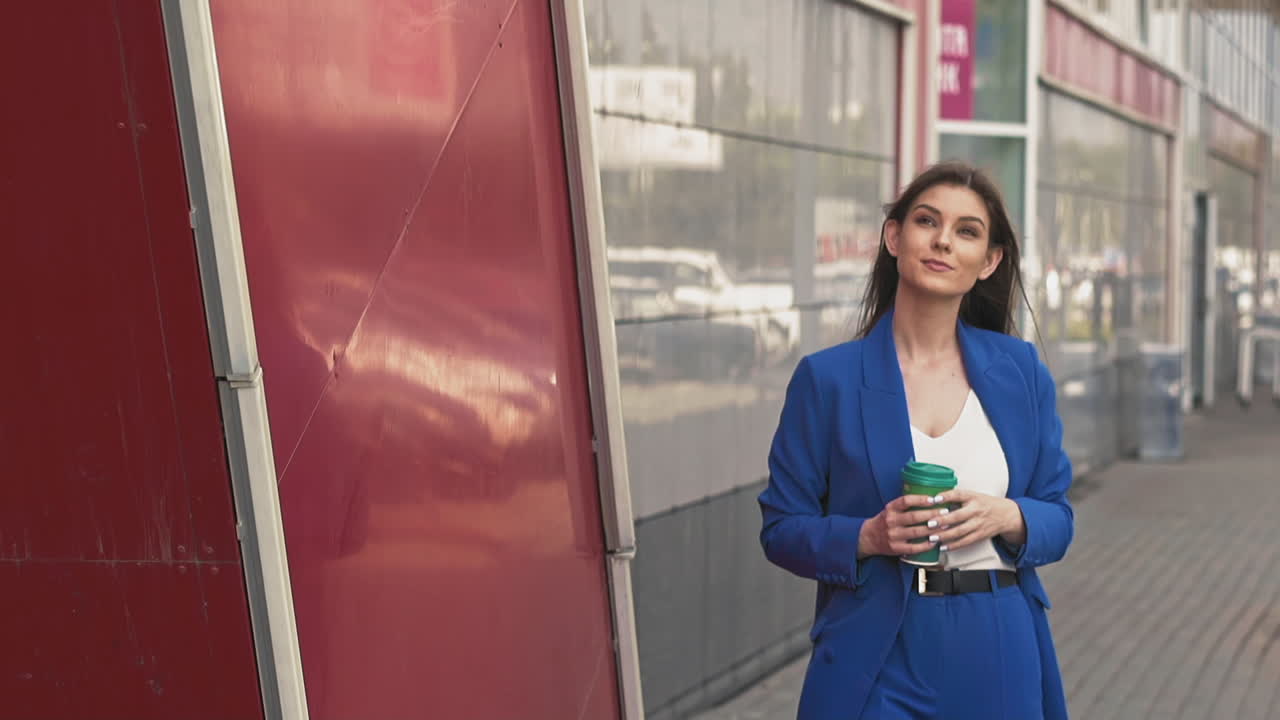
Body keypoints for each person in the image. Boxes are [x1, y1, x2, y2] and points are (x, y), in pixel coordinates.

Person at [759, 162, 1073, 720]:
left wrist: (1007, 516)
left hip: (997, 640)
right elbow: (782, 528)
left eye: (968, 231)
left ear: (990, 261)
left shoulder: (1019, 371)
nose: (944, 241)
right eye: (927, 221)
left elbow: (1058, 516)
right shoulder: (827, 379)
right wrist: (867, 536)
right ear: (894, 236)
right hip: (878, 648)